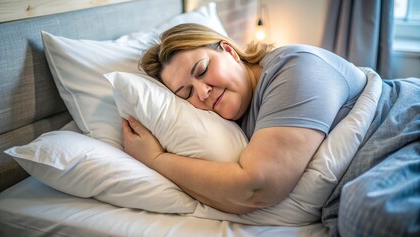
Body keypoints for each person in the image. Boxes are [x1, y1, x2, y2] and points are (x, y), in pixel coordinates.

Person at [121, 23, 367, 214]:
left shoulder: (294, 69)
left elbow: (257, 188)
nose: (203, 92)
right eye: (186, 93)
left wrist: (155, 158)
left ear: (229, 50)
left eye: (203, 70)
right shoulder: (233, 120)